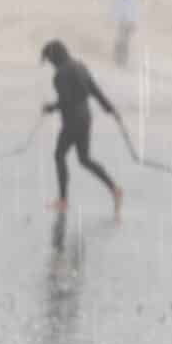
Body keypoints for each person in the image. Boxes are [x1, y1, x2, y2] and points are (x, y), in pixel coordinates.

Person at [39, 40, 123, 217]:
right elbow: (95, 90)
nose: (49, 64)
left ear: (54, 57)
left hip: (72, 121)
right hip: (86, 117)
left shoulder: (60, 75)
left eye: (48, 59)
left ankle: (63, 200)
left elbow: (66, 101)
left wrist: (50, 108)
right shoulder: (80, 66)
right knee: (84, 159)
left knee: (59, 155)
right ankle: (114, 189)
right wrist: (110, 109)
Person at [112, 0, 139, 68]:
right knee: (122, 41)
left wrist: (133, 23)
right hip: (122, 24)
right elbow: (116, 12)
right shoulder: (120, 0)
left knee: (125, 41)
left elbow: (133, 13)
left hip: (127, 24)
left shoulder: (130, 1)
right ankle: (118, 58)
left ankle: (122, 59)